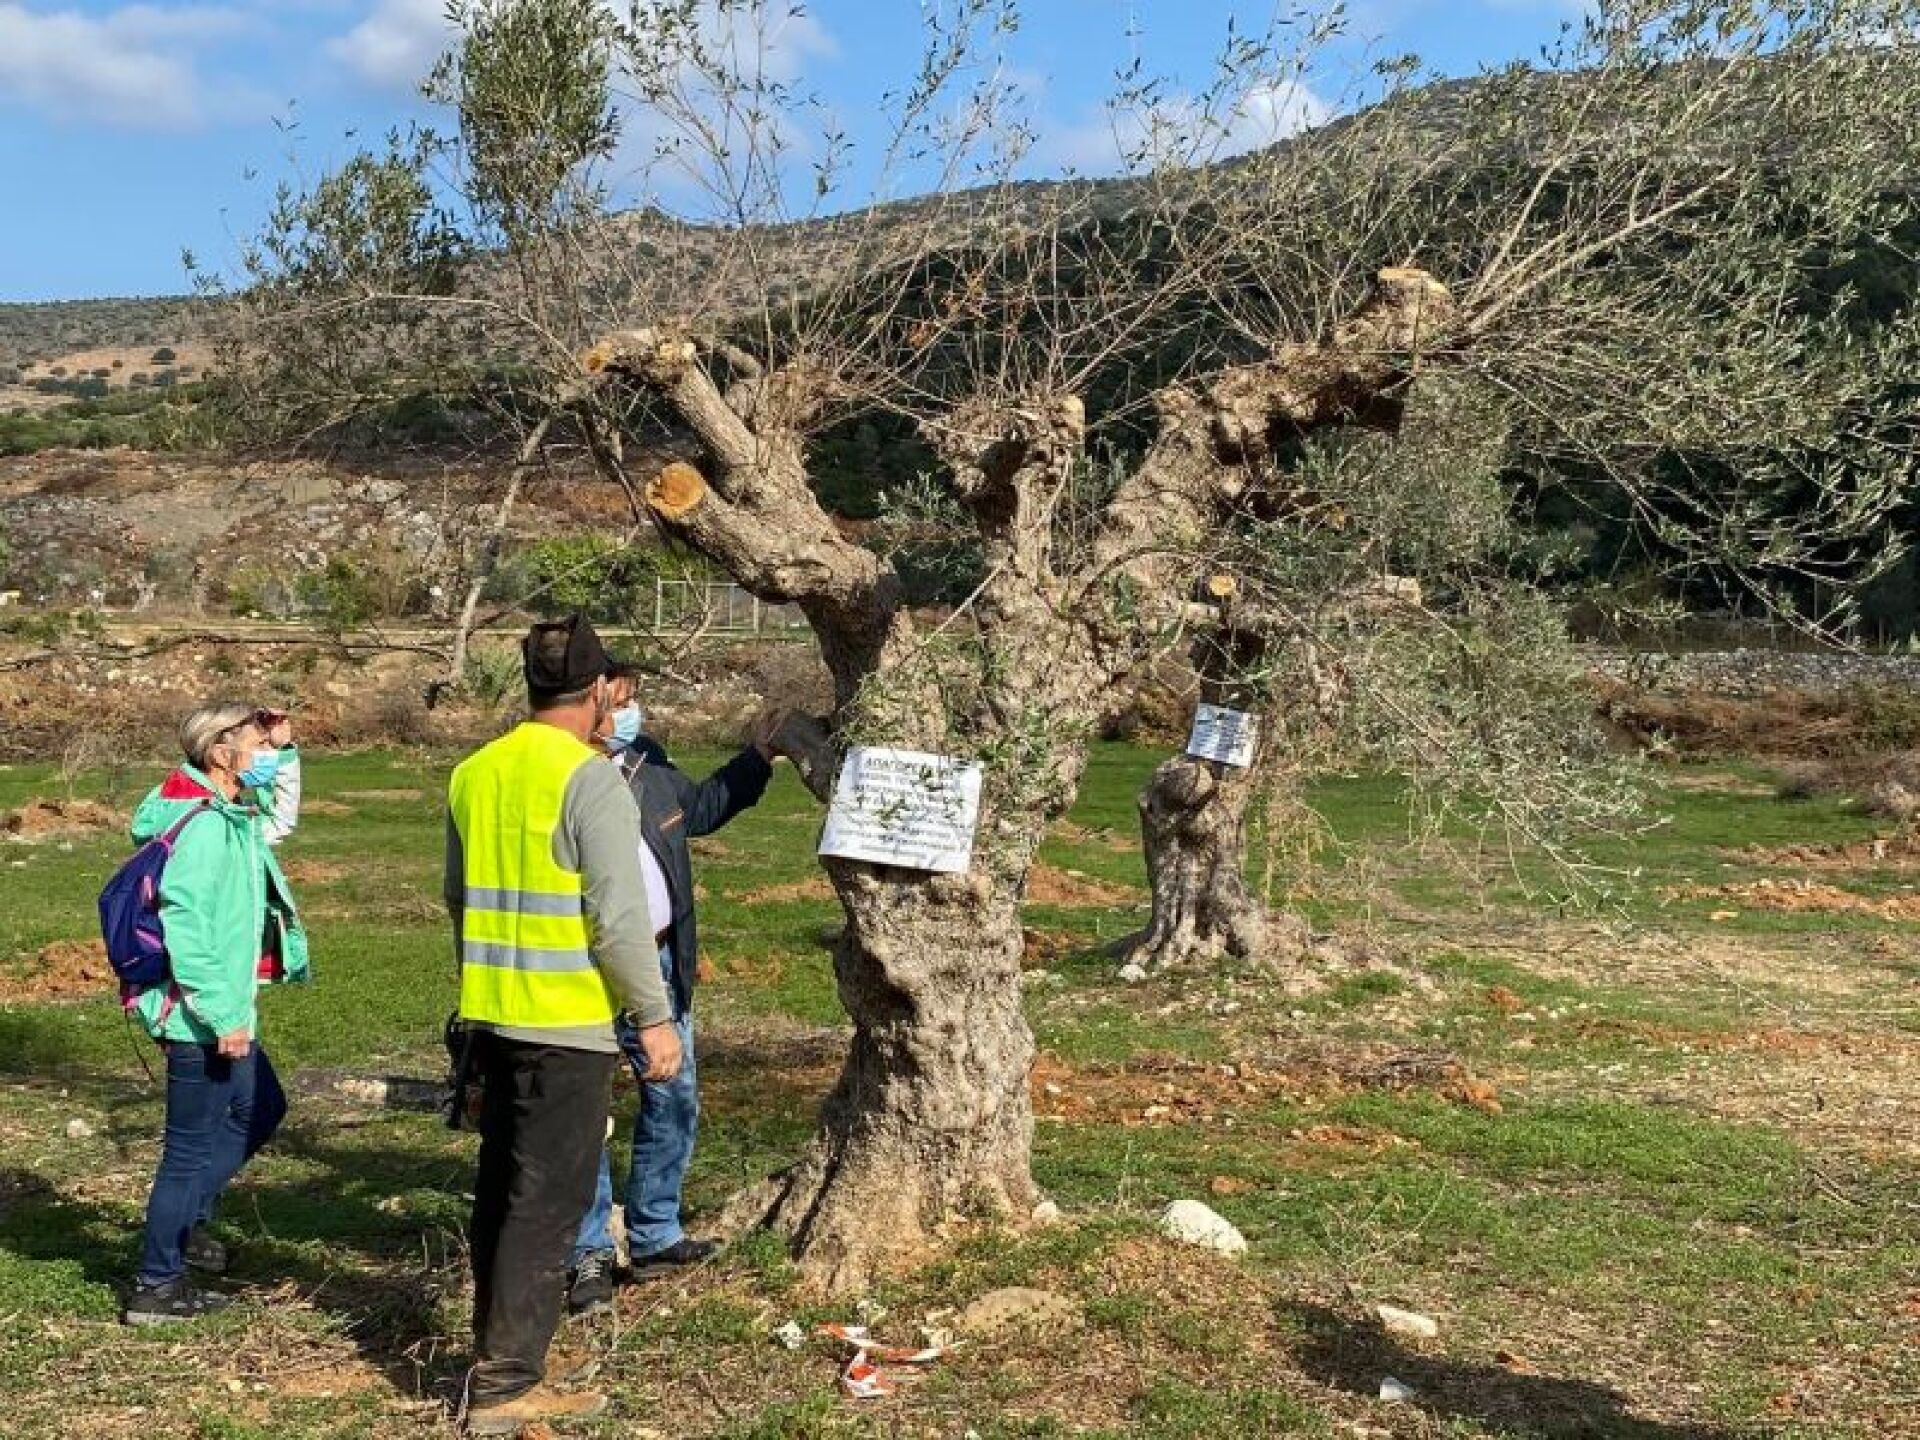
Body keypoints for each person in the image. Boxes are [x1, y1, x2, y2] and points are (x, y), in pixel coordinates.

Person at [443, 615, 681, 1436]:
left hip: (491, 1018)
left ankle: (494, 1358)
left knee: (503, 1192)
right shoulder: (591, 781)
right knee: (549, 1204)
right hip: (567, 1024)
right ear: (598, 693)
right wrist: (653, 1018)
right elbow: (618, 919)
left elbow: (457, 898)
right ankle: (506, 1386)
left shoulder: (474, 772)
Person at [565, 666, 786, 1314]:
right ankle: (587, 1251)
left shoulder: (645, 763)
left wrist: (758, 757)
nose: (630, 713)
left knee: (673, 1098)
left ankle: (655, 1233)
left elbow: (702, 809)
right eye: (620, 701)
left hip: (658, 961)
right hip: (578, 968)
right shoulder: (557, 775)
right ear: (588, 699)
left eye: (634, 700)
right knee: (581, 1109)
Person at [123, 703, 307, 1326]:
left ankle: (183, 1224)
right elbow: (187, 930)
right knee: (186, 1151)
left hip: (222, 1011)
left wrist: (285, 749)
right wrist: (224, 1015)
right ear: (220, 752)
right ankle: (157, 1283)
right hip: (201, 1017)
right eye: (257, 742)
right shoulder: (204, 827)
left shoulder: (231, 816)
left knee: (262, 1107)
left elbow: (280, 814)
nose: (264, 754)